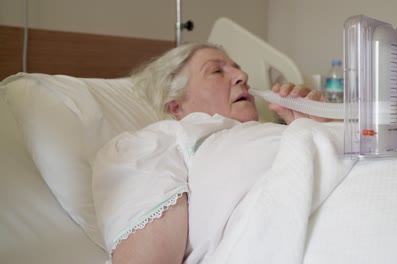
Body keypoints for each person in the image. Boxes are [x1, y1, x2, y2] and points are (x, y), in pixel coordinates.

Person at [92, 42, 328, 264]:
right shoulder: (153, 143)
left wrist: (314, 127)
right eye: (216, 71)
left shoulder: (276, 131)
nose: (242, 76)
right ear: (176, 106)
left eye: (238, 69)